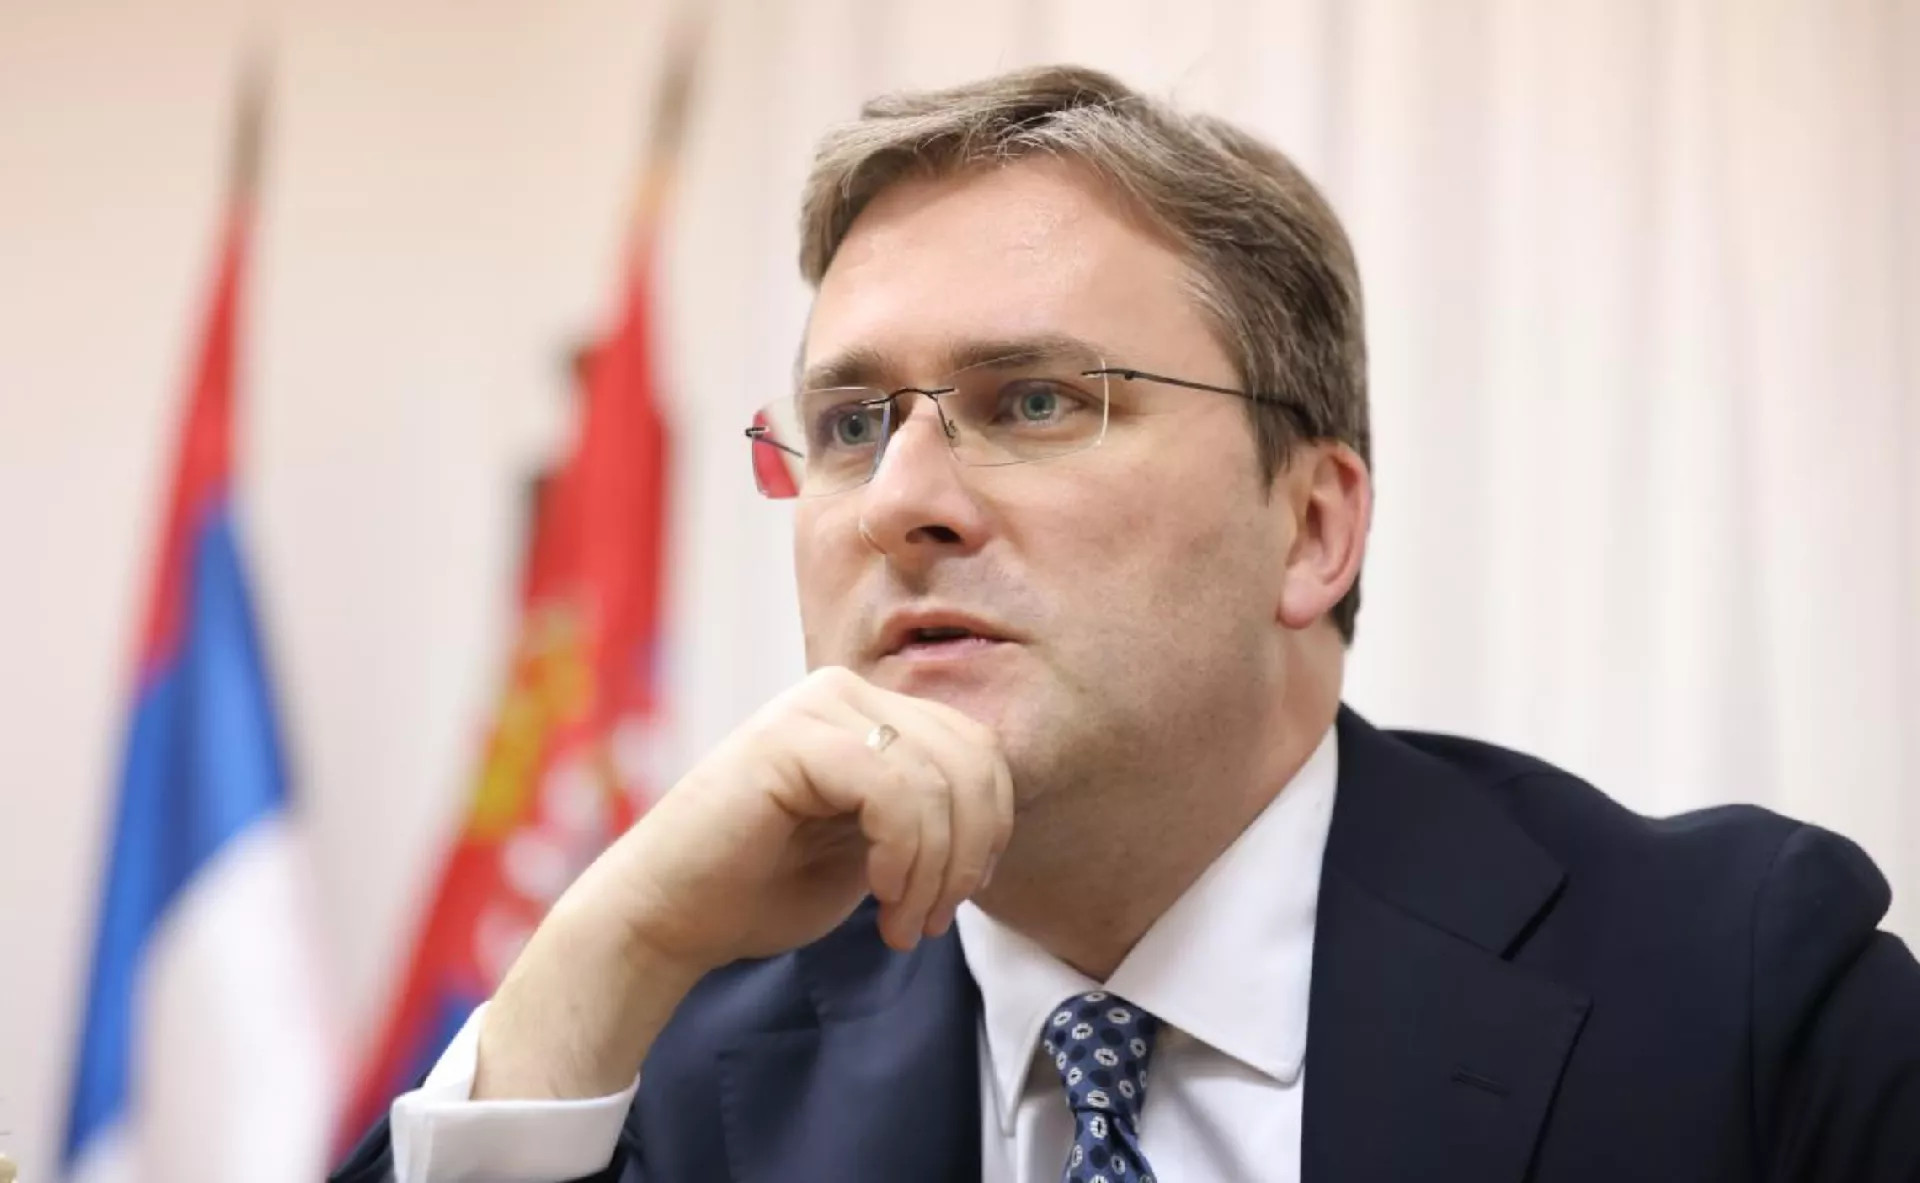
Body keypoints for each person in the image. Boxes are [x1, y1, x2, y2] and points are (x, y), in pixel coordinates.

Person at [331, 65, 1920, 1183]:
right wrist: (600, 960)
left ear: (1312, 527)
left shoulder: (1738, 999)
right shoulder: (656, 1078)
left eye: (1032, 400)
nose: (901, 500)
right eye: (850, 423)